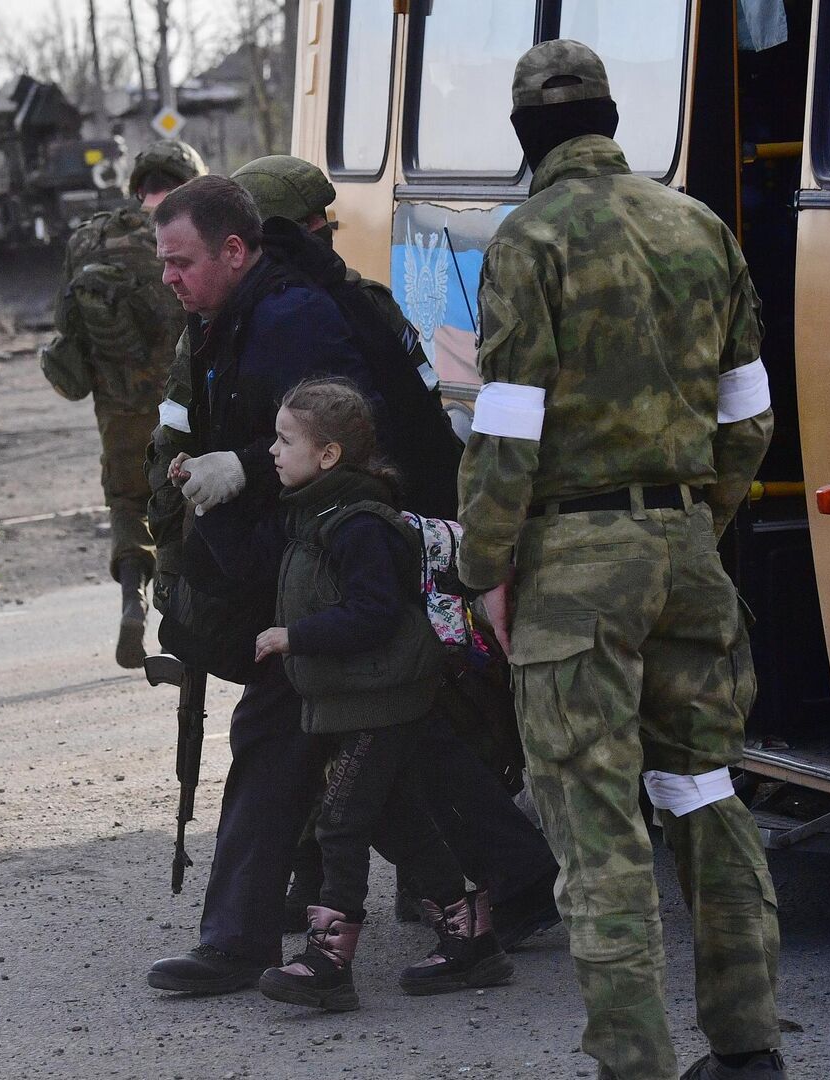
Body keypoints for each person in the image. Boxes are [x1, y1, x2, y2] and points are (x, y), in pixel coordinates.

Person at [454, 41, 782, 1080]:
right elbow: (751, 416)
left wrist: (484, 569)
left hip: (571, 564)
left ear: (524, 138)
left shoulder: (530, 240)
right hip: (688, 548)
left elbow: (507, 429)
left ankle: (632, 1063)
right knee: (703, 795)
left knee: (596, 823)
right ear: (610, 119)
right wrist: (693, 522)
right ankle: (746, 1048)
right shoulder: (699, 226)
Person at [230, 155, 564, 950]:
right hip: (402, 525)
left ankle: (486, 888)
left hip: (381, 538)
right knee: (402, 743)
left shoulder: (310, 313)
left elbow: (345, 431)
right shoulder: (355, 302)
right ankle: (458, 887)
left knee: (408, 742)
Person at [188, 377, 512, 1011]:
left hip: (381, 704)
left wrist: (294, 637)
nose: (272, 453)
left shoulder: (362, 526)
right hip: (350, 703)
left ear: (329, 454)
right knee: (397, 818)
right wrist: (206, 509)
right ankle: (470, 940)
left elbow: (374, 614)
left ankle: (328, 960)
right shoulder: (316, 516)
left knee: (339, 821)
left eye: (285, 441)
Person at [143, 175, 382, 994]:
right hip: (300, 558)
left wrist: (238, 468)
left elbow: (339, 437)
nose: (169, 278)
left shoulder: (286, 318)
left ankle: (236, 940)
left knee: (277, 730)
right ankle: (516, 876)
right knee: (398, 735)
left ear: (235, 251)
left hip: (330, 560)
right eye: (164, 264)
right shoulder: (235, 318)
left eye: (182, 262)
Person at [41, 139, 206, 668]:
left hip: (119, 408)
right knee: (189, 501)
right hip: (188, 399)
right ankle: (183, 625)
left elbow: (67, 328)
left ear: (137, 186)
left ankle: (132, 597)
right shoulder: (192, 234)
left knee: (128, 504)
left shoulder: (89, 239)